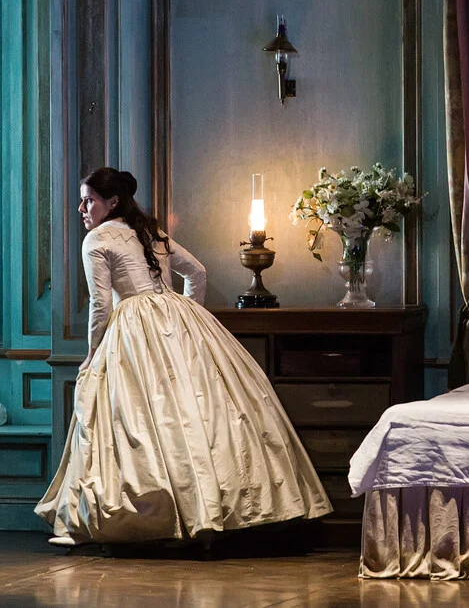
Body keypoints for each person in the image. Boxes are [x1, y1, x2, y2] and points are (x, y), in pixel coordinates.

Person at [36, 167, 331, 546]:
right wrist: (188, 317)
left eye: (88, 200)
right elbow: (198, 273)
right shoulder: (149, 232)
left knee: (147, 417)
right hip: (175, 315)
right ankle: (218, 509)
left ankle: (166, 517)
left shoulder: (97, 239)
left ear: (112, 202)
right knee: (199, 412)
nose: (81, 208)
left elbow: (100, 304)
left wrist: (92, 353)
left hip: (133, 324)